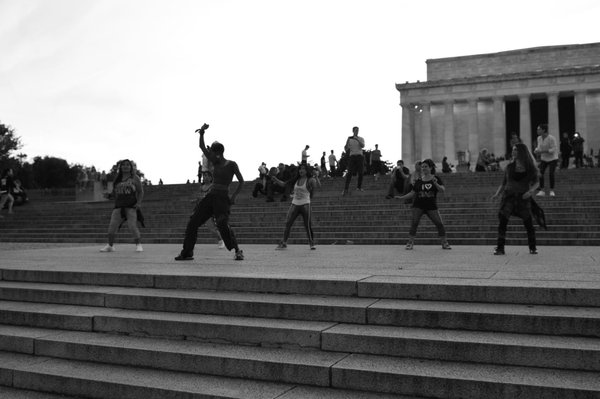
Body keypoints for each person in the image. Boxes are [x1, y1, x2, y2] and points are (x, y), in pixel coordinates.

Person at [175, 123, 244, 261]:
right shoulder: (216, 162)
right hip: (211, 196)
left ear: (219, 152)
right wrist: (201, 133)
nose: (210, 155)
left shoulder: (232, 164)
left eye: (212, 152)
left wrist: (234, 196)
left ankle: (237, 250)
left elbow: (241, 181)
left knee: (223, 224)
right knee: (193, 222)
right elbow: (201, 147)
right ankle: (187, 252)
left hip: (222, 198)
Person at [491, 143, 540, 255]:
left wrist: (530, 191)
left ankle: (532, 247)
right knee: (503, 221)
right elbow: (503, 183)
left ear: (521, 152)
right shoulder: (509, 167)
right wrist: (497, 194)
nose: (513, 152)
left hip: (523, 197)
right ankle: (500, 248)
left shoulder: (530, 168)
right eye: (513, 150)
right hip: (509, 197)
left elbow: (537, 183)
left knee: (528, 223)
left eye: (516, 150)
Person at [394, 159, 451, 250]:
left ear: (431, 168)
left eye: (426, 167)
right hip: (418, 205)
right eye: (422, 167)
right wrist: (401, 198)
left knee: (439, 224)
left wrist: (435, 183)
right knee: (414, 223)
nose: (423, 168)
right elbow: (412, 193)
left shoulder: (436, 178)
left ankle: (444, 242)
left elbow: (442, 190)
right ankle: (410, 242)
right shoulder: (419, 180)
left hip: (431, 206)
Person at [100, 159, 144, 252]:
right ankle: (110, 246)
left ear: (131, 167)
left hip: (131, 206)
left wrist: (139, 203)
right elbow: (114, 193)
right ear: (120, 167)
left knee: (132, 226)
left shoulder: (135, 177)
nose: (126, 166)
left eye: (128, 165)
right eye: (123, 165)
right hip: (119, 206)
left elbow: (140, 192)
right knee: (112, 227)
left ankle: (138, 245)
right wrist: (108, 195)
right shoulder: (117, 178)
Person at [273, 163, 319, 250]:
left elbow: (313, 191)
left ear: (307, 170)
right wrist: (275, 179)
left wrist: (316, 178)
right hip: (295, 203)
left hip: (305, 204)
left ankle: (311, 243)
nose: (301, 170)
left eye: (303, 169)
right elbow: (284, 184)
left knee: (307, 225)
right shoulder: (295, 179)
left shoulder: (310, 180)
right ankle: (284, 243)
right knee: (288, 223)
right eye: (300, 169)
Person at [534, 123, 558, 197]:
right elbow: (539, 147)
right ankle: (542, 190)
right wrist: (536, 150)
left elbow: (553, 149)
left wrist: (542, 151)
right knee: (540, 173)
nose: (537, 130)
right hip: (544, 158)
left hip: (553, 158)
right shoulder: (539, 138)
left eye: (539, 129)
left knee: (551, 173)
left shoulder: (551, 138)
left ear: (544, 130)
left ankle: (552, 190)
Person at [342, 126, 365, 195]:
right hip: (352, 156)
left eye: (357, 130)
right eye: (355, 130)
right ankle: (346, 188)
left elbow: (363, 146)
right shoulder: (349, 139)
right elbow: (346, 149)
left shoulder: (361, 138)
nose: (357, 131)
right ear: (353, 131)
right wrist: (346, 143)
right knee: (349, 172)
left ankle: (359, 187)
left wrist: (357, 140)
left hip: (359, 156)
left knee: (361, 172)